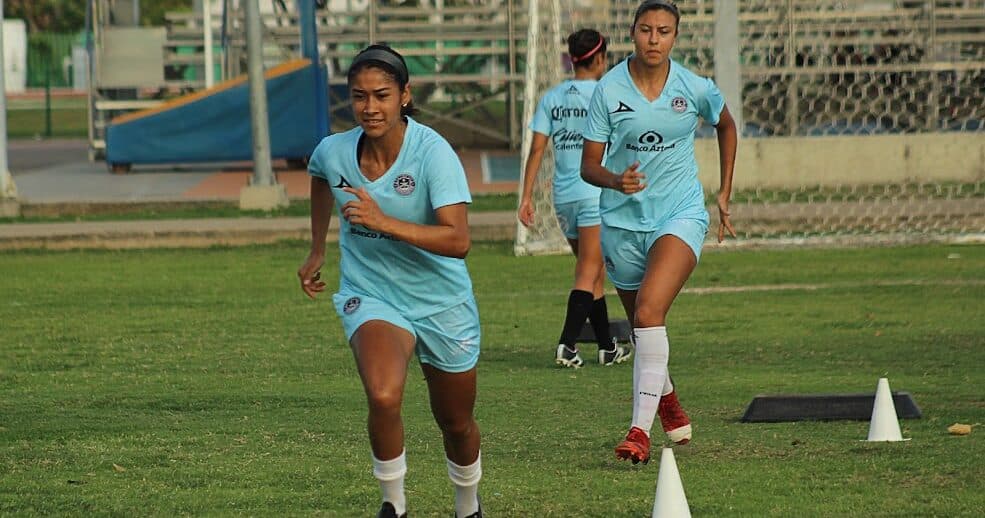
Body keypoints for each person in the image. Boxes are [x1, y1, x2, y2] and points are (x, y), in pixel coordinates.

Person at [297, 44, 483, 518]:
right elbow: (321, 177)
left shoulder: (433, 153)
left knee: (456, 422)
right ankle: (393, 506)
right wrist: (319, 246)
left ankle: (468, 506)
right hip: (372, 294)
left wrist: (385, 222)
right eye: (359, 96)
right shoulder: (334, 150)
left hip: (440, 299)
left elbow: (458, 240)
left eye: (381, 95)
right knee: (382, 395)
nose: (369, 107)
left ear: (404, 95)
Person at [580, 0, 738, 464]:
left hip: (680, 215)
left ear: (675, 37)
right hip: (621, 222)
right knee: (642, 326)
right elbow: (589, 165)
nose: (654, 39)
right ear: (632, 33)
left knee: (649, 312)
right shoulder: (608, 91)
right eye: (646, 30)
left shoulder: (693, 87)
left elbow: (727, 125)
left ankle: (638, 433)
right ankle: (666, 398)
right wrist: (615, 179)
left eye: (664, 31)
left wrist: (724, 193)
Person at [517, 29, 632, 369]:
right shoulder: (607, 94)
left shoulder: (552, 97)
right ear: (599, 58)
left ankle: (607, 347)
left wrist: (526, 196)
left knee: (593, 273)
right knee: (588, 272)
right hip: (594, 193)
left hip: (563, 197)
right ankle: (567, 344)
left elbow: (537, 148)